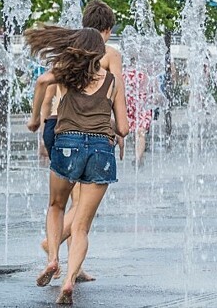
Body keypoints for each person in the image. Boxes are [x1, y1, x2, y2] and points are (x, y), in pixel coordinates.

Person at [26, 26, 129, 304]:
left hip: (68, 145)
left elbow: (41, 82)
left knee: (56, 206)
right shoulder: (113, 81)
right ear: (99, 53)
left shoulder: (67, 75)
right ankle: (69, 280)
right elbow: (124, 127)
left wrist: (36, 119)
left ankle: (52, 261)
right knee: (81, 226)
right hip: (100, 151)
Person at [123, 58, 153, 167]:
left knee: (140, 132)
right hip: (132, 106)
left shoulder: (146, 71)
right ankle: (139, 158)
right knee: (137, 133)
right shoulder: (124, 71)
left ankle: (137, 158)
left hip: (142, 106)